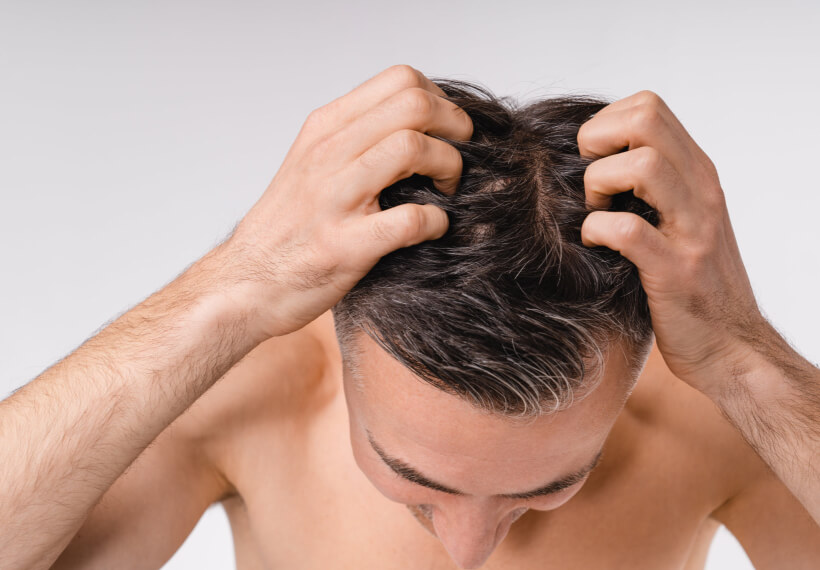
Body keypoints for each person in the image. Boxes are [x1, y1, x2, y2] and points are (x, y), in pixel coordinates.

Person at [0, 64, 818, 570]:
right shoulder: (256, 402)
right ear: (343, 350)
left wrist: (746, 360)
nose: (470, 553)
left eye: (549, 488)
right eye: (415, 484)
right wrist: (232, 285)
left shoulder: (719, 427)